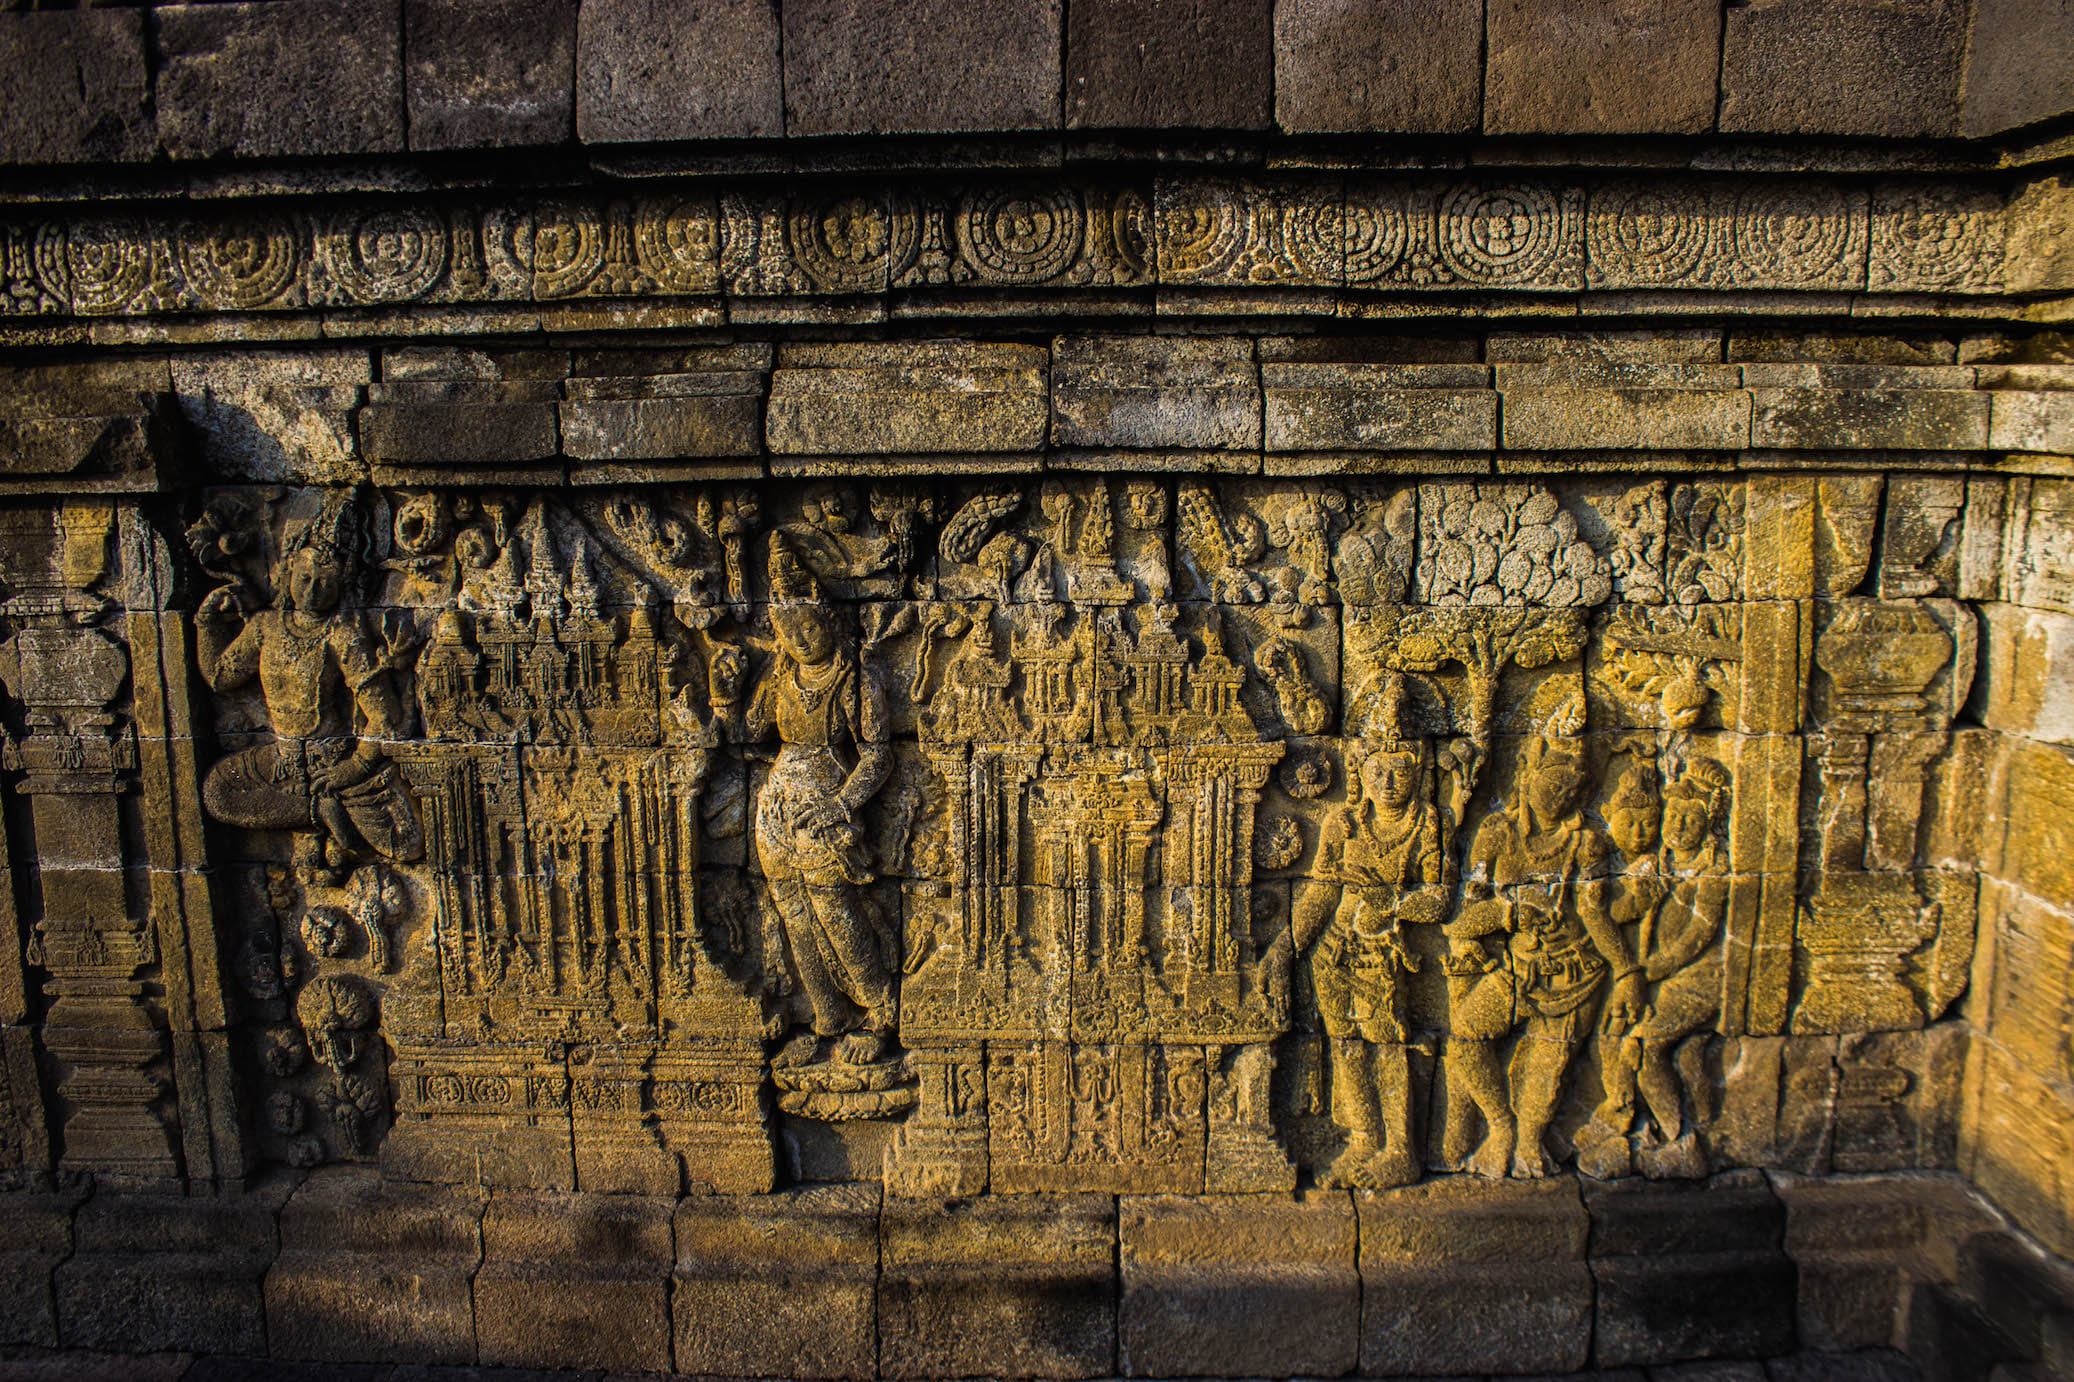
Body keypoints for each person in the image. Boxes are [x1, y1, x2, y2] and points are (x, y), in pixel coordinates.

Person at [1442, 697, 1645, 1179]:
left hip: (1573, 970)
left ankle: (1530, 1142)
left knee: (1547, 1066)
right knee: (1465, 1039)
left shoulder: (1586, 841)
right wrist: (1506, 915)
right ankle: (1500, 1126)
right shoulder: (1496, 832)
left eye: (1575, 786)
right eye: (1554, 780)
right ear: (1529, 774)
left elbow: (1595, 914)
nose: (1562, 794)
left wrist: (1627, 970)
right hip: (1513, 966)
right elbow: (1468, 912)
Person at [197, 491, 421, 873]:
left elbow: (384, 719)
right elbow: (221, 677)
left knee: (406, 844)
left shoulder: (343, 635)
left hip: (331, 759)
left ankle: (322, 813)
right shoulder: (266, 627)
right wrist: (207, 623)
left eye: (325, 582)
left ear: (343, 587)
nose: (311, 591)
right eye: (304, 578)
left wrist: (350, 770)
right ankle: (316, 814)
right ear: (287, 574)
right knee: (217, 794)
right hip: (282, 760)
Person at [736, 536, 897, 1064]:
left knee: (833, 907)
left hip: (825, 807)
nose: (800, 639)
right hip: (778, 807)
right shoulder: (779, 677)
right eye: (788, 631)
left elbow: (877, 757)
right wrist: (725, 690)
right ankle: (828, 1013)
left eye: (808, 626)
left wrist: (841, 805)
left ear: (830, 622)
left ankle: (880, 1008)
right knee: (794, 913)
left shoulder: (856, 679)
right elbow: (751, 732)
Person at [1295, 678, 1450, 1188]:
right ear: (1359, 771)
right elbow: (1320, 891)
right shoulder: (1344, 822)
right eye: (1376, 769)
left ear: (1417, 771)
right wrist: (1288, 946)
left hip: (1382, 952)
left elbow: (1439, 897)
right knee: (1345, 1044)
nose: (1386, 782)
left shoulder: (1424, 822)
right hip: (1335, 949)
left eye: (1398, 770)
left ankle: (1401, 1148)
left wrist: (1396, 903)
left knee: (1385, 1042)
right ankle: (1362, 1139)